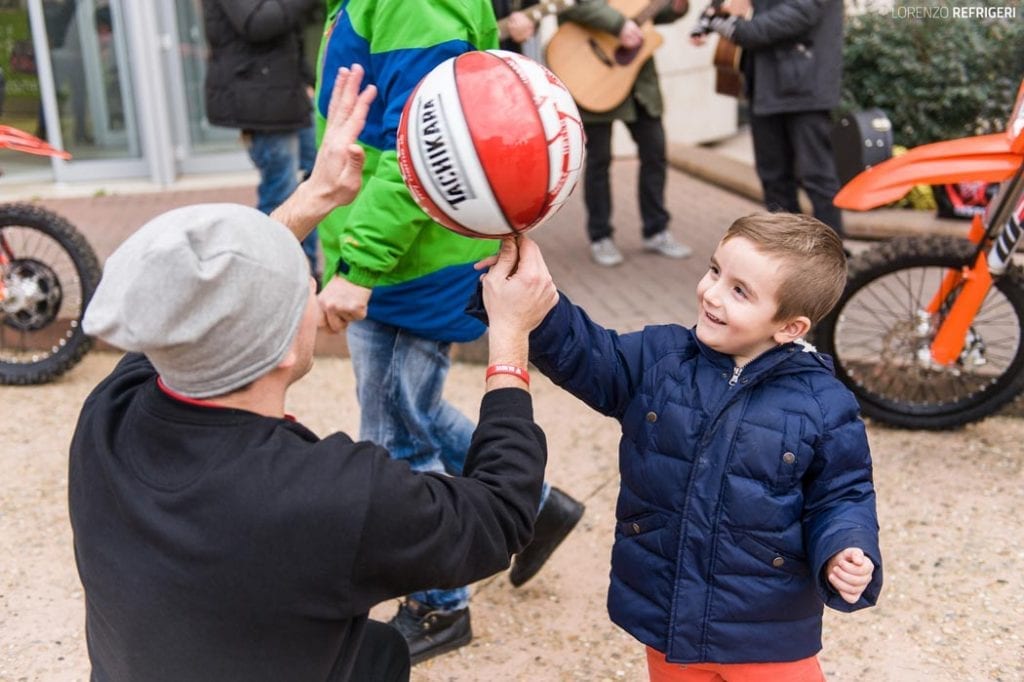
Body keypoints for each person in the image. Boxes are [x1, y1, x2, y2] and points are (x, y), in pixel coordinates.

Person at [68, 65, 556, 682]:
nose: (316, 283)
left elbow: (198, 304)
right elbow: (501, 515)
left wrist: (316, 195)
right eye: (303, 282)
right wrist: (510, 337)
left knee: (381, 651)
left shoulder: (110, 415)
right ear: (276, 350)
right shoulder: (331, 494)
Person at [474, 212, 883, 680]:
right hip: (667, 611)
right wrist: (535, 302)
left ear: (790, 327)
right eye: (715, 271)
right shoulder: (660, 358)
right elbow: (587, 353)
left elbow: (844, 493)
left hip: (764, 628)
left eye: (739, 291)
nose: (711, 293)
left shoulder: (824, 403)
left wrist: (845, 547)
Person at [314, 0, 585, 664]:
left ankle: (440, 607)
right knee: (417, 408)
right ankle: (540, 507)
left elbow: (426, 156)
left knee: (397, 438)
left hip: (403, 268)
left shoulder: (412, 5)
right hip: (399, 259)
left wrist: (360, 266)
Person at [557, 0, 692, 267]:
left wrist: (677, 7)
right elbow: (571, 5)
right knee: (600, 160)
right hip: (594, 76)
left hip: (639, 82)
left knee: (655, 152)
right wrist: (618, 25)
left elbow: (650, 15)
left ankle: (656, 230)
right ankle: (600, 236)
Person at [693, 0, 845, 233]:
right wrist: (711, 14)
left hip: (806, 90)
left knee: (818, 178)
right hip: (765, 88)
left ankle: (833, 257)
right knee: (773, 179)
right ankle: (787, 251)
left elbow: (791, 17)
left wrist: (722, 23)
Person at [202, 0, 317, 217]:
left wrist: (309, 80)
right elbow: (258, 23)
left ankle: (304, 252)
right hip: (263, 102)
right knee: (281, 194)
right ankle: (273, 250)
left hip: (289, 95)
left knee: (313, 180)